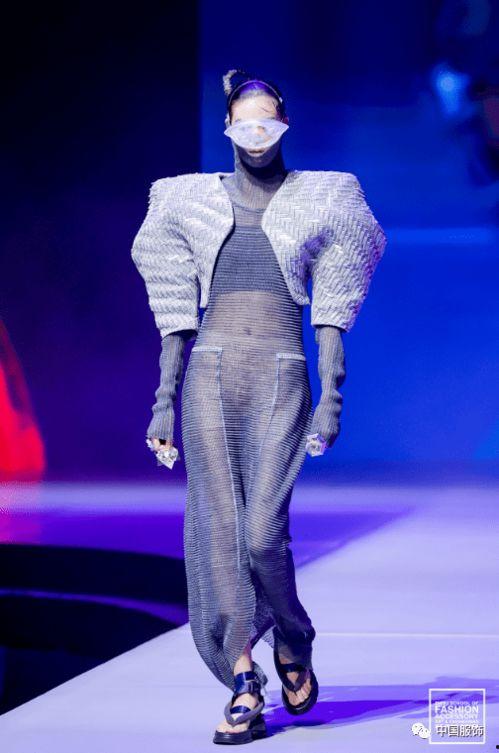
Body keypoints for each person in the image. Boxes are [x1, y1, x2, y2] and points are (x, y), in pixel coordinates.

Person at [131, 68, 386, 745]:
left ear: (284, 123)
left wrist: (331, 399)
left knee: (263, 534)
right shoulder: (186, 202)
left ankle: (294, 635)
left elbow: (331, 309)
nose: (255, 134)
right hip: (209, 378)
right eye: (243, 123)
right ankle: (244, 679)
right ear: (226, 128)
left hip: (281, 374)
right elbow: (175, 314)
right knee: (219, 530)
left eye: (266, 120)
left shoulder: (325, 198)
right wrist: (162, 403)